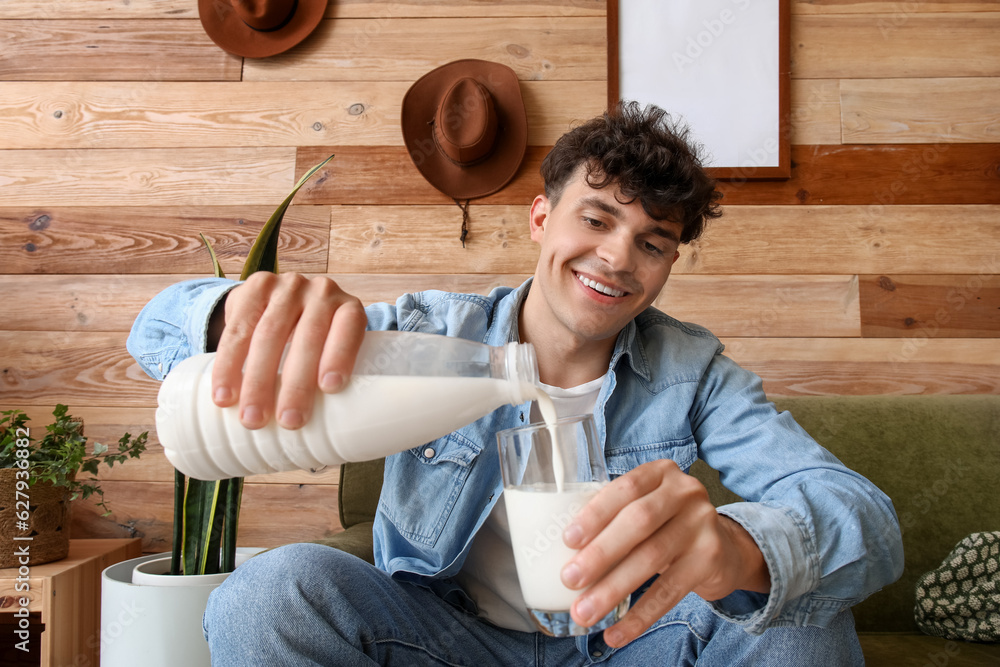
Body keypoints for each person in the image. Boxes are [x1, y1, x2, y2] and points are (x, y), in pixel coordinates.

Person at [127, 102, 903, 666]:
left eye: (652, 242)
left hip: (625, 642)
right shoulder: (427, 334)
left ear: (668, 264)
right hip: (441, 638)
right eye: (595, 219)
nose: (616, 258)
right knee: (269, 589)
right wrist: (239, 310)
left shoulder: (693, 370)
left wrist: (739, 547)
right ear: (541, 218)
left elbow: (864, 518)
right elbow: (153, 330)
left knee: (807, 621)